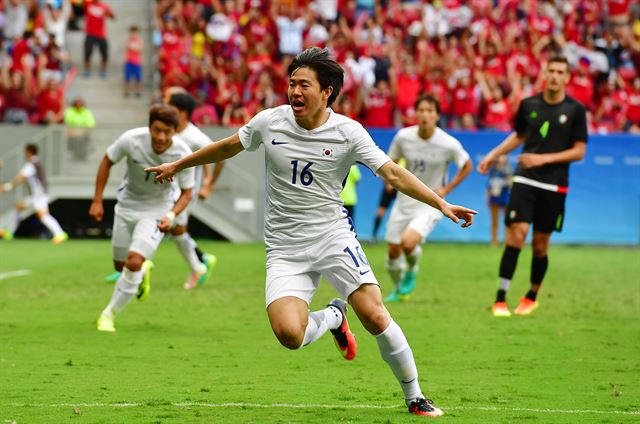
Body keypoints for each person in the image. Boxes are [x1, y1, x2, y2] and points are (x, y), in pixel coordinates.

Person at [146, 47, 476, 417]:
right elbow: (226, 147)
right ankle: (335, 317)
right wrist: (178, 163)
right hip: (285, 248)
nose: (294, 92)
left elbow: (394, 174)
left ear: (326, 92)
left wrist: (441, 204)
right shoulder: (269, 122)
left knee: (375, 315)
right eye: (291, 84)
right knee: (289, 335)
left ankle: (415, 396)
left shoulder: (349, 132)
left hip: (332, 237)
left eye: (304, 84)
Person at [477, 55, 587, 317]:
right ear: (544, 74)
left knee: (540, 244)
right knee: (517, 233)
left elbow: (579, 151)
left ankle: (531, 296)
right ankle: (500, 299)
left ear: (567, 77)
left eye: (561, 72)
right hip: (525, 178)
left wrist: (542, 158)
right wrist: (494, 154)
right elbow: (519, 136)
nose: (555, 76)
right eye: (551, 71)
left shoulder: (575, 110)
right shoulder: (528, 105)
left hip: (554, 186)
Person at [90, 105, 195, 332]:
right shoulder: (131, 140)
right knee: (120, 267)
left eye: (167, 131)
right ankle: (143, 270)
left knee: (133, 262)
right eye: (157, 130)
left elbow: (187, 192)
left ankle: (108, 315)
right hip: (126, 206)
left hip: (157, 210)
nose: (161, 137)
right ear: (149, 127)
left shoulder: (183, 153)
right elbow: (107, 160)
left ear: (175, 131)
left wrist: (171, 215)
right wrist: (97, 199)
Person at [383, 94, 473, 303]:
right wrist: (389, 181)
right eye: (421, 110)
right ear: (415, 113)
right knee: (393, 251)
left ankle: (412, 269)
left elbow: (467, 165)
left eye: (430, 111)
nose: (425, 115)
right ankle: (399, 290)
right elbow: (391, 160)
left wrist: (446, 189)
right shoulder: (403, 137)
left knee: (408, 243)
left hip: (431, 203)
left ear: (437, 115)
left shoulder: (447, 143)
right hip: (404, 200)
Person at [167, 92, 225, 289]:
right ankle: (201, 261)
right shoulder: (169, 130)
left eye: (171, 108)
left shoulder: (195, 137)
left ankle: (132, 267)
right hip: (168, 189)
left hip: (184, 192)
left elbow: (219, 157)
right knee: (176, 232)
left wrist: (209, 183)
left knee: (167, 226)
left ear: (183, 113)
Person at [0, 144, 68, 244]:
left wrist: (7, 186)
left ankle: (60, 234)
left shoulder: (32, 164)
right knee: (18, 207)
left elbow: (21, 177)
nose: (24, 154)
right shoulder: (35, 163)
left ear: (28, 152)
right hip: (35, 195)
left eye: (25, 152)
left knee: (43, 215)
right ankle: (10, 232)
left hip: (39, 195)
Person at [84, 0, 115, 78]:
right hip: (90, 33)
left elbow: (112, 17)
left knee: (104, 53)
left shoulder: (104, 6)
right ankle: (87, 70)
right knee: (87, 52)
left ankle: (103, 71)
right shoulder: (87, 4)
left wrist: (108, 12)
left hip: (101, 33)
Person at [487, 154, 512, 246]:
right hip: (494, 198)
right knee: (494, 221)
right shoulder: (492, 171)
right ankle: (494, 241)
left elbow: (511, 184)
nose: (500, 159)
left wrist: (507, 181)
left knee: (506, 220)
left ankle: (507, 241)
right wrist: (488, 198)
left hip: (505, 197)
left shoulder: (508, 170)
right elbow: (488, 186)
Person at [64, 97, 96, 161]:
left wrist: (81, 132)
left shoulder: (86, 112)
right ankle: (75, 153)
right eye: (77, 104)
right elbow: (67, 123)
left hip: (83, 132)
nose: (78, 106)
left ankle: (82, 154)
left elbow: (90, 124)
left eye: (80, 104)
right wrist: (74, 132)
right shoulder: (70, 111)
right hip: (72, 133)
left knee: (83, 138)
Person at [123, 25, 143, 98]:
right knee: (127, 78)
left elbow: (140, 49)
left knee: (138, 78)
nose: (133, 34)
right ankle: (126, 91)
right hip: (129, 61)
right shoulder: (129, 40)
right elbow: (128, 48)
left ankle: (138, 91)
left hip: (136, 62)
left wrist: (133, 48)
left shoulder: (139, 40)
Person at [339, 164, 360, 228]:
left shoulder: (339, 164)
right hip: (349, 198)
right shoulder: (353, 166)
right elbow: (357, 179)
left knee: (337, 222)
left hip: (338, 197)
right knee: (350, 222)